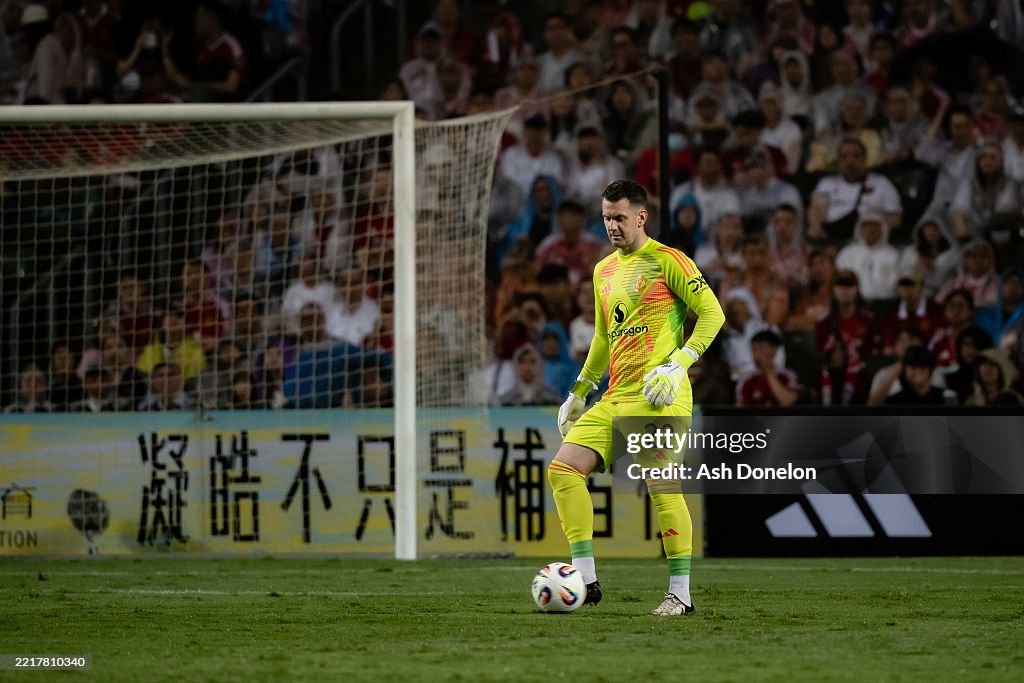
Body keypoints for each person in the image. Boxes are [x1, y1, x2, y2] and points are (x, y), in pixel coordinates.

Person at [550, 180, 725, 616]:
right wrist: (579, 389)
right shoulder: (603, 271)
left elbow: (713, 314)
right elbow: (603, 336)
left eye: (619, 217)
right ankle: (586, 581)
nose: (611, 225)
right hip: (615, 395)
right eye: (607, 217)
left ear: (641, 217)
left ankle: (680, 595)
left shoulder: (670, 261)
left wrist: (679, 362)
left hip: (659, 394)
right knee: (564, 469)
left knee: (662, 485)